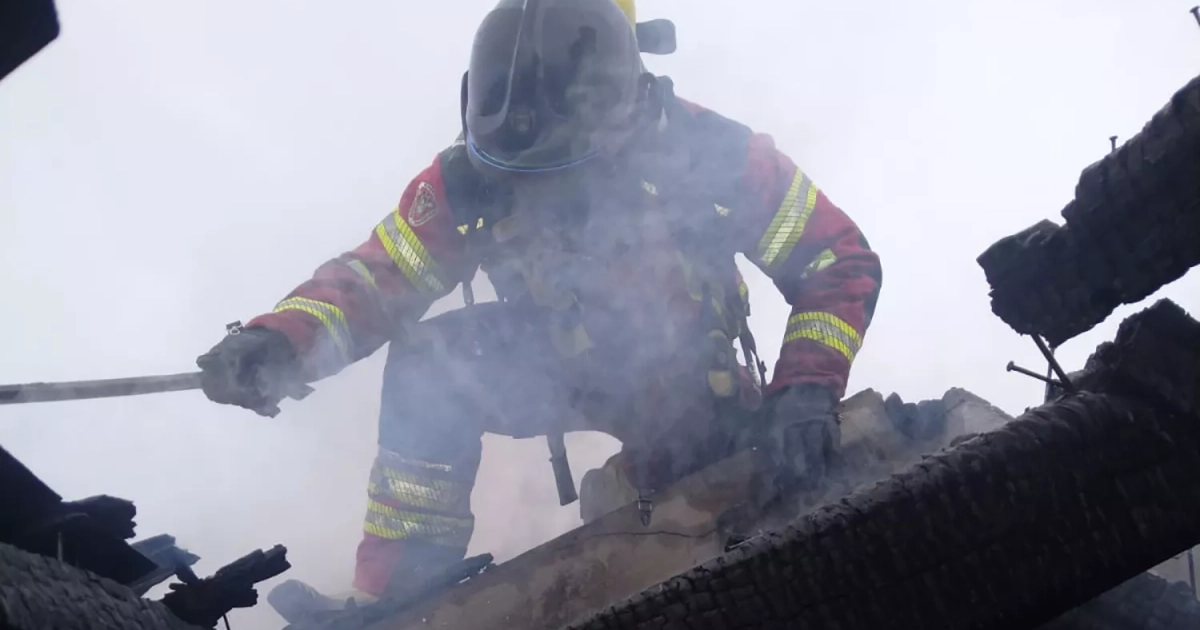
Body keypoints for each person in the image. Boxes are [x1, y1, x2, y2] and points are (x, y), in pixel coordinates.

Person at [196, 0, 882, 615]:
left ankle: (641, 481)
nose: (542, 201)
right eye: (520, 182)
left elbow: (836, 259)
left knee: (728, 513)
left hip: (695, 386)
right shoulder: (471, 179)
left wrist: (807, 393)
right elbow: (375, 278)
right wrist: (280, 342)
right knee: (432, 366)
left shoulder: (714, 154)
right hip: (557, 363)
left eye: (565, 182)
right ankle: (406, 589)